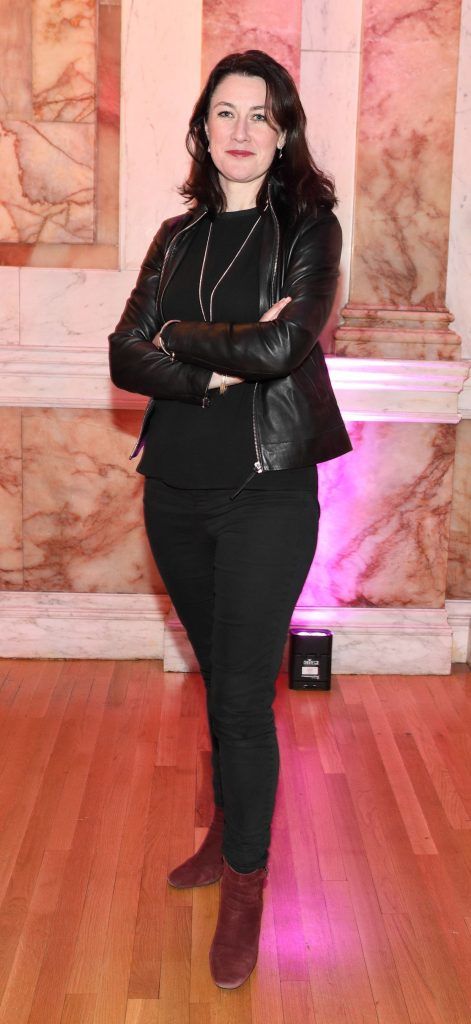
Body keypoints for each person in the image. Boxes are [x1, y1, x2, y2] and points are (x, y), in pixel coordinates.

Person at [108, 48, 352, 989]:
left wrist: (179, 340)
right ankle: (225, 836)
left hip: (267, 491)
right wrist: (215, 357)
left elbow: (289, 343)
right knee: (217, 680)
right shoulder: (175, 238)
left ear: (282, 132)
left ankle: (245, 881)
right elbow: (124, 359)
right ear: (202, 129)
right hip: (173, 488)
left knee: (244, 700)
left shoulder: (309, 229)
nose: (241, 130)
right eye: (224, 113)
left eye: (259, 115)